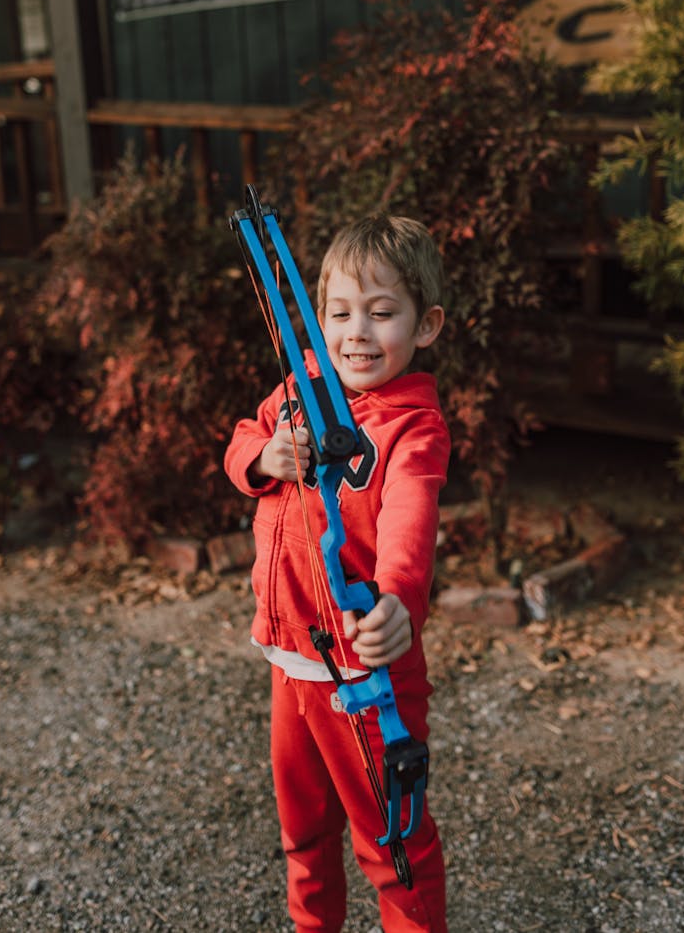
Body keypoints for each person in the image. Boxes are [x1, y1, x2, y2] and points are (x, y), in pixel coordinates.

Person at [224, 213, 450, 932]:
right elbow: (241, 440)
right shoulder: (300, 385)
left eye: (382, 313)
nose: (355, 332)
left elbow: (407, 521)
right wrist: (263, 459)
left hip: (362, 676)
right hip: (290, 662)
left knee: (394, 843)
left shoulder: (412, 427)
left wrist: (397, 600)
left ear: (426, 325)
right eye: (339, 312)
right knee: (303, 831)